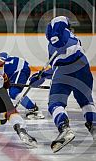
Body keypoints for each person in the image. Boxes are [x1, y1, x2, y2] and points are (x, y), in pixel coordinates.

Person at [29, 16, 96, 153]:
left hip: (64, 71)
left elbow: (59, 67)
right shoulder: (72, 37)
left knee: (55, 104)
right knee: (85, 101)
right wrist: (41, 76)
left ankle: (64, 128)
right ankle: (94, 127)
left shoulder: (54, 42)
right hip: (83, 67)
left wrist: (41, 76)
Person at [0, 52, 45, 120]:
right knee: (13, 92)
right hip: (20, 68)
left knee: (14, 93)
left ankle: (33, 109)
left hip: (19, 69)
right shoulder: (5, 60)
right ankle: (32, 108)